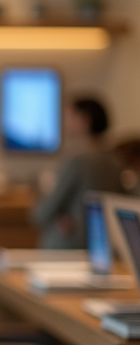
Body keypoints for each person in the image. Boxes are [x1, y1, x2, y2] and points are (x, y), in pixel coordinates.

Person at [31, 96, 124, 249]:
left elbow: (42, 213)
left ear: (84, 119)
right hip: (101, 244)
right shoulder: (114, 159)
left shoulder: (77, 159)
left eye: (69, 117)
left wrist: (44, 190)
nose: (65, 123)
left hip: (69, 244)